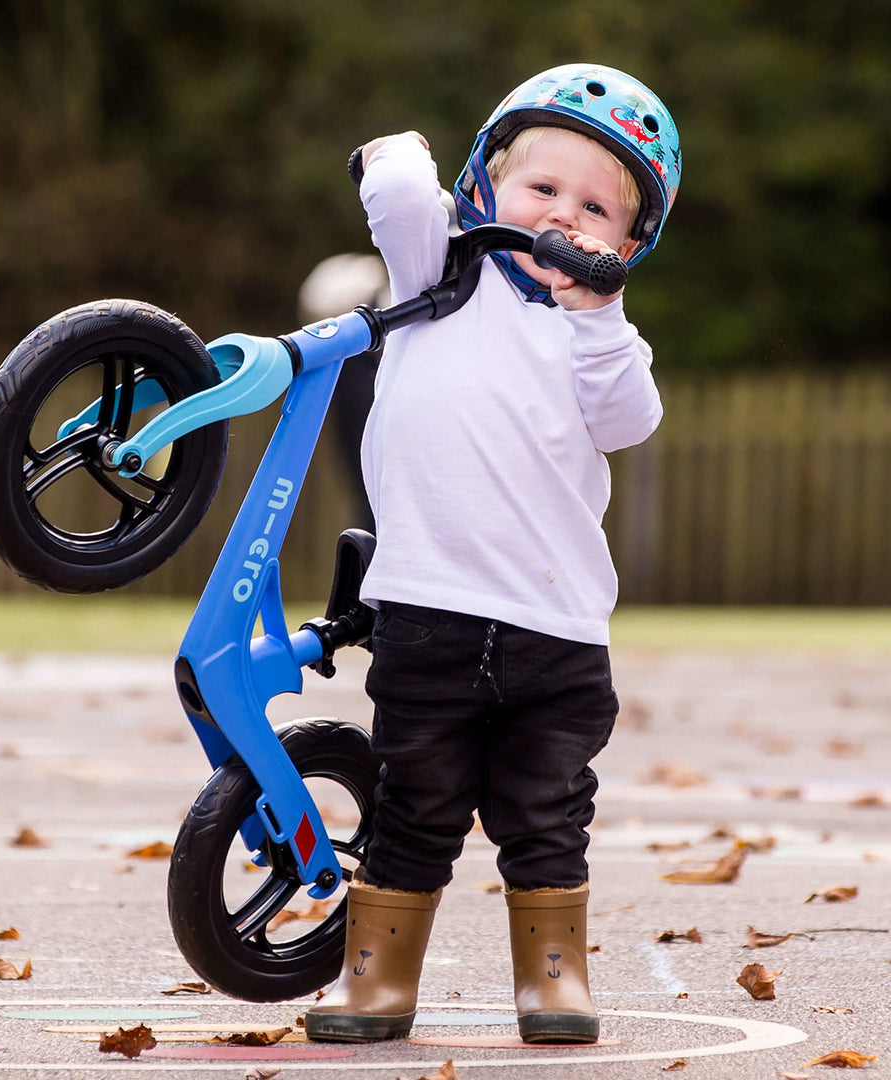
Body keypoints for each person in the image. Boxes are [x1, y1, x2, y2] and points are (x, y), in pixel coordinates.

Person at [305, 63, 681, 1046]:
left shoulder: (599, 335)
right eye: (541, 187)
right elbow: (392, 195)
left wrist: (598, 309)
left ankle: (552, 977)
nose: (563, 215)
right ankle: (376, 980)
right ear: (483, 186)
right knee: (414, 801)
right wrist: (403, 155)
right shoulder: (442, 270)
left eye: (596, 207)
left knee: (546, 809)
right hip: (429, 608)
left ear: (629, 244)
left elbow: (630, 419)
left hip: (553, 630)